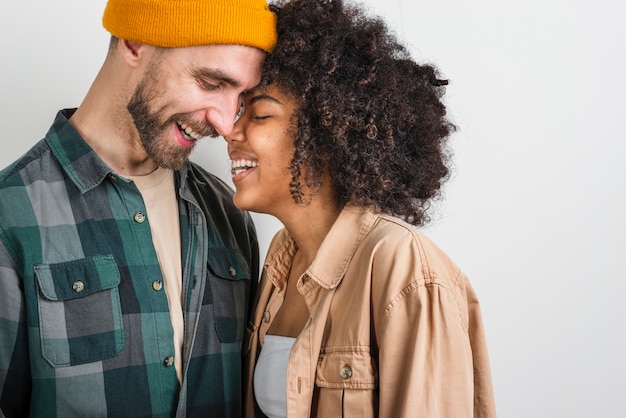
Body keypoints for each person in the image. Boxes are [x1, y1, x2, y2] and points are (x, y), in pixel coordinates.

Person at [0, 0, 276, 416]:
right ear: (134, 42)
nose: (225, 124)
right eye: (210, 82)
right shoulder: (9, 214)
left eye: (240, 96)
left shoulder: (230, 211)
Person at [225, 0, 497, 416]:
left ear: (328, 135)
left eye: (259, 114)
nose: (231, 130)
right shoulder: (282, 258)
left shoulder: (403, 267)